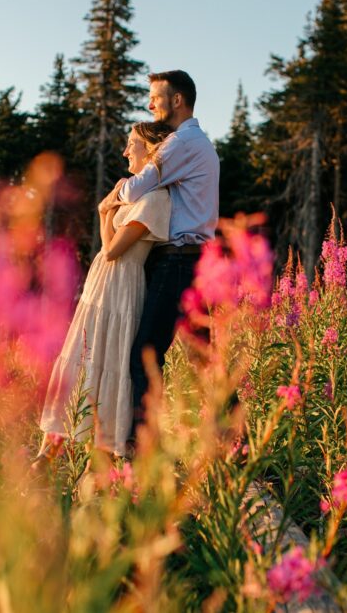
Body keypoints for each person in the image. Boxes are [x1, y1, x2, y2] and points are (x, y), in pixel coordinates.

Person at [38, 121, 174, 458]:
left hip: (123, 285)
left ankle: (102, 455)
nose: (126, 151)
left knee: (107, 359)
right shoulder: (131, 192)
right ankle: (48, 453)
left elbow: (114, 250)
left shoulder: (157, 199)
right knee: (79, 356)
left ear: (151, 150)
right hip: (102, 283)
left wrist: (102, 213)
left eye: (132, 144)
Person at [103, 70, 220, 454]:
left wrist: (111, 197)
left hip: (177, 262)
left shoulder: (181, 141)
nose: (151, 104)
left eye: (156, 97)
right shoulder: (196, 142)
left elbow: (137, 186)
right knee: (202, 358)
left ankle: (141, 446)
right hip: (189, 260)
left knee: (146, 354)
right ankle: (235, 442)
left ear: (178, 101)